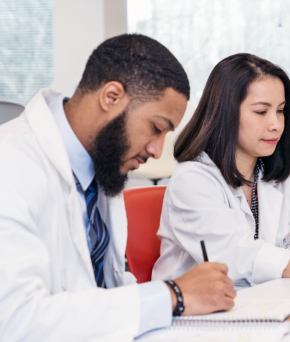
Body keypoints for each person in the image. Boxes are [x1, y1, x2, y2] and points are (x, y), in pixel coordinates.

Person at [0, 34, 236, 341]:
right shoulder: (11, 164)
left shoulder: (101, 165)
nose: (156, 150)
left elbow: (109, 288)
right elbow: (16, 320)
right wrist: (173, 294)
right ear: (111, 97)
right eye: (156, 128)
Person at [152, 53, 290, 291]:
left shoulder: (282, 178)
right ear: (226, 113)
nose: (276, 124)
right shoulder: (192, 180)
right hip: (199, 319)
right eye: (261, 112)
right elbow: (236, 259)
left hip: (269, 305)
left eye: (281, 110)